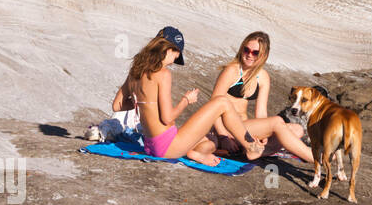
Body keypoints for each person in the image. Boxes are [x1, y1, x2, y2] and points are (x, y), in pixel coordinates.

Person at [111, 26, 263, 166]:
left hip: (151, 146)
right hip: (167, 146)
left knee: (210, 142)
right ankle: (251, 147)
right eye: (176, 55)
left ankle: (195, 153)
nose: (174, 60)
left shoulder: (135, 70)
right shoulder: (163, 74)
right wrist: (186, 101)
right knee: (222, 102)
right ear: (170, 49)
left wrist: (143, 103)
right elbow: (167, 118)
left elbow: (117, 105)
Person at [198, 31, 313, 163]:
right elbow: (214, 107)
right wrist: (223, 136)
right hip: (226, 128)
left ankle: (257, 150)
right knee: (277, 122)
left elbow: (261, 113)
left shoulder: (262, 77)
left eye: (255, 52)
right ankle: (313, 158)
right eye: (246, 50)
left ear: (264, 55)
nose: (249, 55)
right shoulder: (232, 71)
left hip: (245, 129)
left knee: (297, 129)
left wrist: (265, 134)